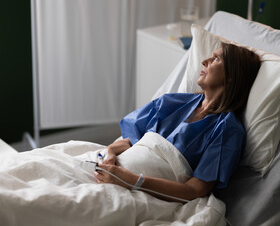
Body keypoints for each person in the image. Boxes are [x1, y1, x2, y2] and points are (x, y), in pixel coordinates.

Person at [94, 42, 261, 202]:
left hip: (143, 193)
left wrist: (133, 181)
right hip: (110, 171)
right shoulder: (173, 102)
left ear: (232, 76)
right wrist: (108, 153)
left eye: (216, 58)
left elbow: (195, 190)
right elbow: (132, 141)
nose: (204, 61)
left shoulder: (227, 130)